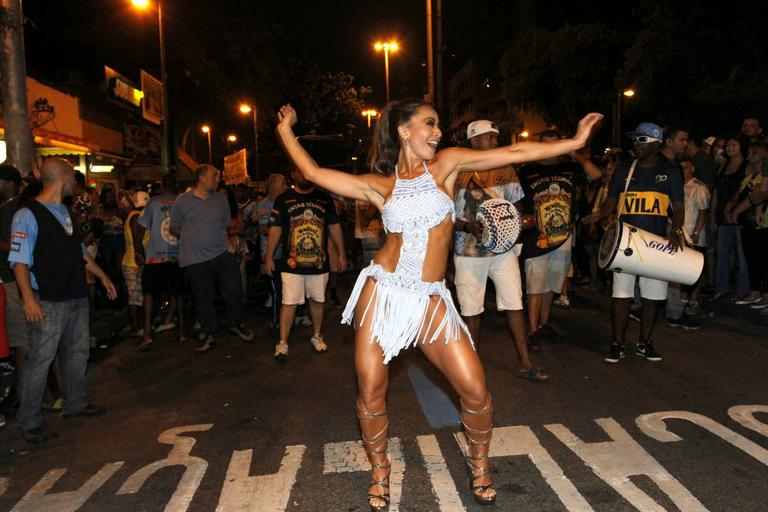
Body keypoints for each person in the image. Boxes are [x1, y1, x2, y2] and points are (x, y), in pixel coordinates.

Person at [276, 100, 601, 509]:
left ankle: (479, 462)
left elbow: (513, 152)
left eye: (437, 126)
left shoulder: (445, 166)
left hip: (430, 297)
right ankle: (380, 471)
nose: (436, 132)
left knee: (475, 388)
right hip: (385, 292)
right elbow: (314, 173)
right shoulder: (381, 186)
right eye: (428, 124)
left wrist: (574, 141)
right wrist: (287, 129)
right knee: (371, 389)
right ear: (403, 130)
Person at [9, 158, 117, 444]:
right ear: (60, 177)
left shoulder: (64, 211)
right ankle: (30, 421)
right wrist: (29, 300)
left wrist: (103, 276)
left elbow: (78, 251)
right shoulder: (27, 214)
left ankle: (76, 403)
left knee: (78, 352)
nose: (75, 180)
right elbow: (19, 262)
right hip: (48, 299)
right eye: (71, 174)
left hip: (75, 295)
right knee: (40, 360)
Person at [452, 119, 549, 382]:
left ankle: (525, 362)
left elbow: (516, 205)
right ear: (473, 141)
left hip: (503, 250)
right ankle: (471, 369)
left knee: (515, 304)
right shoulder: (457, 169)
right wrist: (466, 225)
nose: (494, 140)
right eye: (488, 136)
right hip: (468, 252)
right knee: (472, 310)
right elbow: (444, 214)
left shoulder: (505, 167)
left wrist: (520, 225)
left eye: (496, 135)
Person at [585, 122, 685, 364]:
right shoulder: (624, 169)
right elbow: (611, 202)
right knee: (621, 294)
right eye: (635, 140)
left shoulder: (670, 171)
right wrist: (599, 214)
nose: (636, 144)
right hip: (626, 240)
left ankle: (644, 342)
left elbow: (679, 206)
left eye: (642, 140)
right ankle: (617, 343)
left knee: (653, 296)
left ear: (656, 143)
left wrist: (677, 230)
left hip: (655, 242)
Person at [518, 132, 602, 344]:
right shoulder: (528, 170)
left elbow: (596, 175)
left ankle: (545, 325)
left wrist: (574, 152)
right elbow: (515, 198)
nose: (552, 150)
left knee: (552, 285)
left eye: (556, 146)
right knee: (535, 285)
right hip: (536, 238)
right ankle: (532, 330)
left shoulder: (569, 168)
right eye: (548, 146)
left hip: (563, 236)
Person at [169, 165, 253, 353]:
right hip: (196, 258)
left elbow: (224, 226)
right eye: (214, 176)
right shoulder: (182, 201)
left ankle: (235, 323)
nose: (218, 179)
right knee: (203, 297)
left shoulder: (221, 200)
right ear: (201, 178)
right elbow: (173, 228)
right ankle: (209, 333)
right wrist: (191, 239)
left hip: (221, 253)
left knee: (234, 290)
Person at [264, 168, 346, 361]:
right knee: (288, 302)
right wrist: (268, 256)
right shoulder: (283, 199)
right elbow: (275, 229)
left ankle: (317, 335)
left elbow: (334, 226)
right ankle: (282, 342)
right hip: (291, 264)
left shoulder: (324, 198)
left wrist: (341, 254)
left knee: (318, 301)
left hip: (318, 263)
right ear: (293, 174)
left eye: (307, 172)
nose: (305, 176)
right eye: (300, 173)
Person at [136, 173, 187, 350]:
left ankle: (147, 336)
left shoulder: (153, 202)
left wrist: (138, 250)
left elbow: (140, 227)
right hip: (177, 256)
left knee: (149, 295)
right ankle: (181, 333)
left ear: (162, 185)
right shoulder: (183, 202)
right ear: (177, 185)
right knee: (179, 295)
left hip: (154, 257)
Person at [0, 165, 28, 398]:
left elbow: (13, 244)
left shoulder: (12, 209)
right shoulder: (14, 207)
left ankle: (25, 392)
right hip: (16, 279)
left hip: (12, 279)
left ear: (8, 183)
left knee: (21, 339)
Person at [256, 174, 288, 325]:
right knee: (278, 290)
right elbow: (262, 228)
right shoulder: (265, 204)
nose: (286, 186)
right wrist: (282, 234)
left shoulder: (286, 202)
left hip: (287, 253)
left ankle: (294, 316)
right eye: (283, 183)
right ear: (274, 185)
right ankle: (277, 322)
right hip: (273, 255)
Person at [121, 191, 150, 338]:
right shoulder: (137, 217)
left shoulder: (134, 215)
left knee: (137, 296)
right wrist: (140, 255)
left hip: (132, 260)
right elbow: (137, 239)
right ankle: (136, 326)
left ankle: (137, 325)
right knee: (135, 297)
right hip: (134, 261)